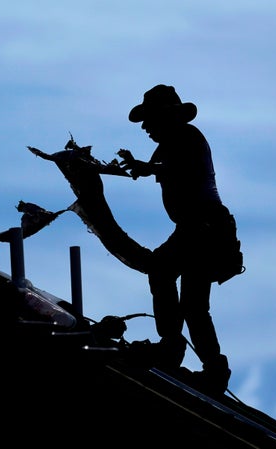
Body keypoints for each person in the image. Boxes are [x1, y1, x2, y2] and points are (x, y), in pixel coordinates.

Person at [119, 84, 243, 395]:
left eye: (149, 119)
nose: (145, 127)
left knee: (168, 278)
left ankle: (177, 349)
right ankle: (207, 364)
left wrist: (146, 168)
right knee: (191, 301)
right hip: (197, 228)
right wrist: (139, 168)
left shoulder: (188, 137)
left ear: (166, 116)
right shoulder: (170, 143)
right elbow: (158, 167)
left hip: (205, 228)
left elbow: (176, 167)